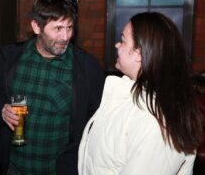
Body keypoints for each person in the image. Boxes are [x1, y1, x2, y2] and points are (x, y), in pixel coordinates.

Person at [0, 0, 105, 175]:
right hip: (14, 167)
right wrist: (1, 110)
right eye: (58, 28)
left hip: (59, 170)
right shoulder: (10, 58)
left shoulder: (86, 67)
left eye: (69, 27)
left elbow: (99, 118)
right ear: (36, 27)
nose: (65, 36)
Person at [78, 12, 204, 175]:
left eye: (123, 40)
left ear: (139, 54)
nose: (117, 45)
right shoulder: (127, 94)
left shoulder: (158, 121)